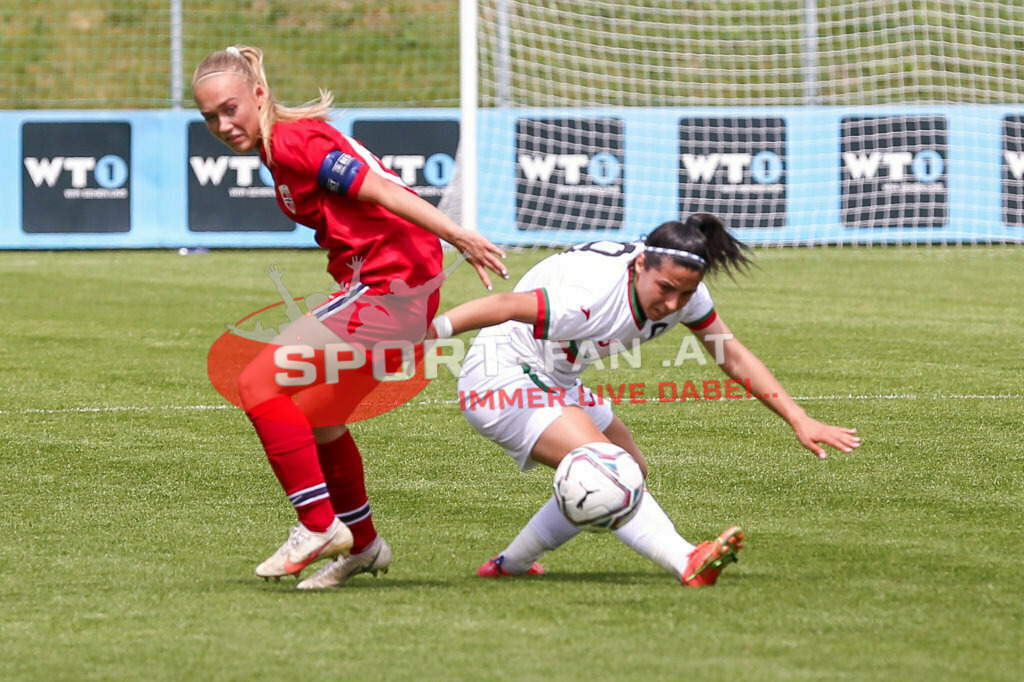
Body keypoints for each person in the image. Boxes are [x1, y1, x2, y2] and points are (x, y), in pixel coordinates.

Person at [192, 45, 508, 589]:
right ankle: (363, 546)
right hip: (398, 287)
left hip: (391, 288)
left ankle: (317, 525)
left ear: (259, 95)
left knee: (257, 384)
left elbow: (380, 189)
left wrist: (457, 234)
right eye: (210, 117)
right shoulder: (279, 146)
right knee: (319, 417)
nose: (223, 125)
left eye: (230, 109)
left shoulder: (291, 142)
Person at [429, 213, 861, 586]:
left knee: (631, 470)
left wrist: (798, 418)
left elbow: (731, 354)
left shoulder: (682, 288)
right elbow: (504, 305)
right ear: (639, 264)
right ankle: (687, 560)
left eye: (685, 294)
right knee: (608, 471)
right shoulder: (589, 296)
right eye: (666, 288)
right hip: (500, 377)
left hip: (555, 376)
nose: (672, 304)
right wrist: (431, 333)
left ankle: (510, 565)